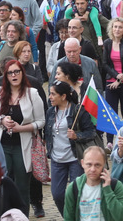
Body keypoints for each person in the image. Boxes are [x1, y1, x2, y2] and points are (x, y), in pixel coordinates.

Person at [0, 59, 46, 215]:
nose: (14, 75)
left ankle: (22, 216)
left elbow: (41, 121)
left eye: (17, 72)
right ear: (6, 75)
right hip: (2, 145)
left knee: (22, 187)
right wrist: (1, 121)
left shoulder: (32, 93)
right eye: (10, 72)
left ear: (22, 73)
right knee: (1, 183)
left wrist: (22, 128)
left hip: (23, 146)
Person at [44, 81, 97, 212]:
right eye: (50, 94)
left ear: (63, 96)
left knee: (76, 194)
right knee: (57, 195)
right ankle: (68, 217)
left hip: (75, 158)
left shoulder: (77, 110)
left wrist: (76, 136)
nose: (50, 97)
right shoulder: (50, 112)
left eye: (53, 94)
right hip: (57, 160)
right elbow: (47, 132)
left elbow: (91, 132)